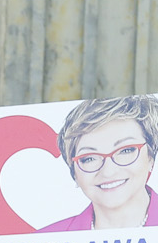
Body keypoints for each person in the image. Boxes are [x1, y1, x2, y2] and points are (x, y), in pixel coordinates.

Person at [42, 95, 158, 233]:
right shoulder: (42, 240)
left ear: (150, 157)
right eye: (89, 158)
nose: (108, 172)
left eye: (125, 151)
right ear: (74, 173)